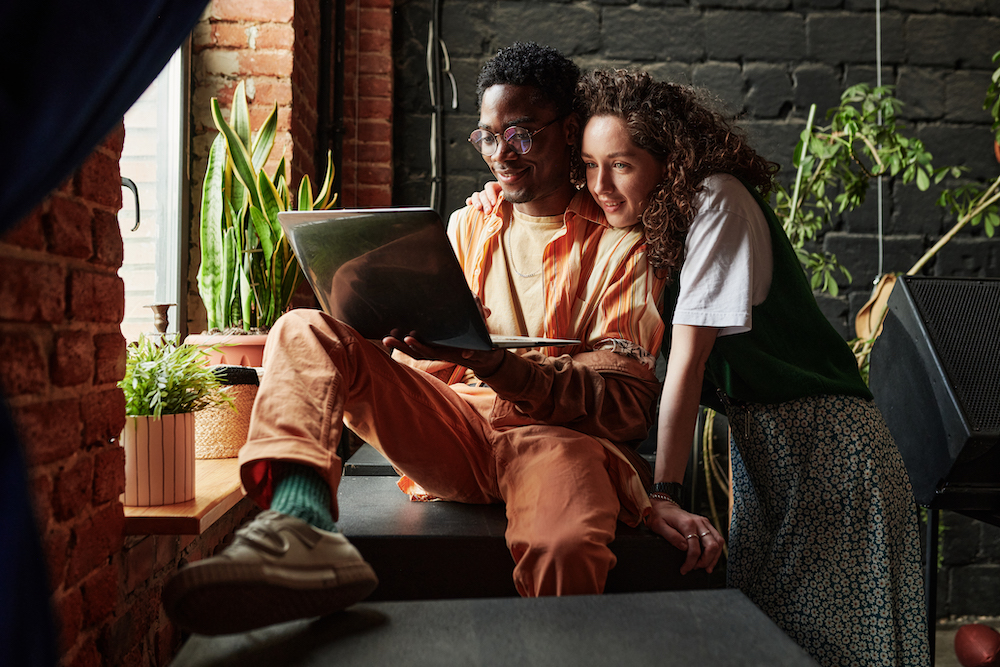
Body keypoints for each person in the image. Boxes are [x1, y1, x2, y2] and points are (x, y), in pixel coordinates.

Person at [162, 43, 670, 636]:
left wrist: (497, 366)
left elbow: (628, 405)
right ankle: (299, 531)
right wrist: (385, 335)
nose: (500, 157)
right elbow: (423, 361)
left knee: (564, 547)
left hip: (556, 442)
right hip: (453, 427)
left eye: (522, 135)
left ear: (570, 131)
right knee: (303, 328)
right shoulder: (465, 225)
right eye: (488, 138)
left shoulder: (623, 245)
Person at [575, 69, 931, 666]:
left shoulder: (718, 200)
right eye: (588, 165)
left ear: (668, 158)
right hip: (764, 446)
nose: (601, 185)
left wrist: (662, 492)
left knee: (840, 646)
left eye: (621, 164)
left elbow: (687, 364)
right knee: (775, 640)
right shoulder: (659, 225)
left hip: (827, 444)